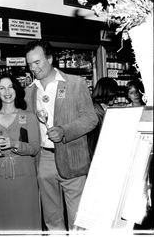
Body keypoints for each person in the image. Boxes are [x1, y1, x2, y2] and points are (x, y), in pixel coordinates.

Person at [24, 40, 98, 231]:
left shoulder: (75, 83)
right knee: (52, 220)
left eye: (37, 62)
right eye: (30, 64)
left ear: (50, 58)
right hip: (44, 160)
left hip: (73, 158)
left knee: (78, 222)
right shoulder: (29, 91)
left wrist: (65, 130)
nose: (33, 68)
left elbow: (91, 119)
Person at [0, 73, 41, 231]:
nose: (7, 91)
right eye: (2, 88)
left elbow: (35, 148)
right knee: (3, 223)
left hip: (25, 179)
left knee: (27, 223)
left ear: (16, 89)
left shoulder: (28, 117)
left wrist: (14, 144)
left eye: (10, 87)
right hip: (0, 180)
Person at [87, 77, 118, 159]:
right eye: (114, 94)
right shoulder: (95, 112)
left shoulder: (100, 108)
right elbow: (93, 142)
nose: (115, 98)